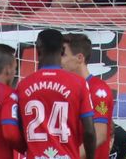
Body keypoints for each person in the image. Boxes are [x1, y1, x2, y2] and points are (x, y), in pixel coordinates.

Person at [18, 28, 95, 159]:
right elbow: (89, 131)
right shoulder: (78, 84)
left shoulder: (23, 86)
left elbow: (16, 129)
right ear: (62, 50)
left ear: (38, 49)